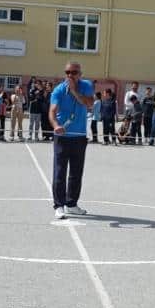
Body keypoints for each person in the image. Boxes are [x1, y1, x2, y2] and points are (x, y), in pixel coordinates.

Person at [50, 61, 95, 218]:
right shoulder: (59, 90)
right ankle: (59, 205)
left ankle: (72, 204)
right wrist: (55, 125)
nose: (70, 75)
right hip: (62, 137)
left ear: (80, 74)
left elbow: (89, 104)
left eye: (74, 72)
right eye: (67, 72)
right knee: (60, 172)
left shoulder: (86, 85)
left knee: (76, 173)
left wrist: (75, 91)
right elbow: (52, 111)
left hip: (79, 136)